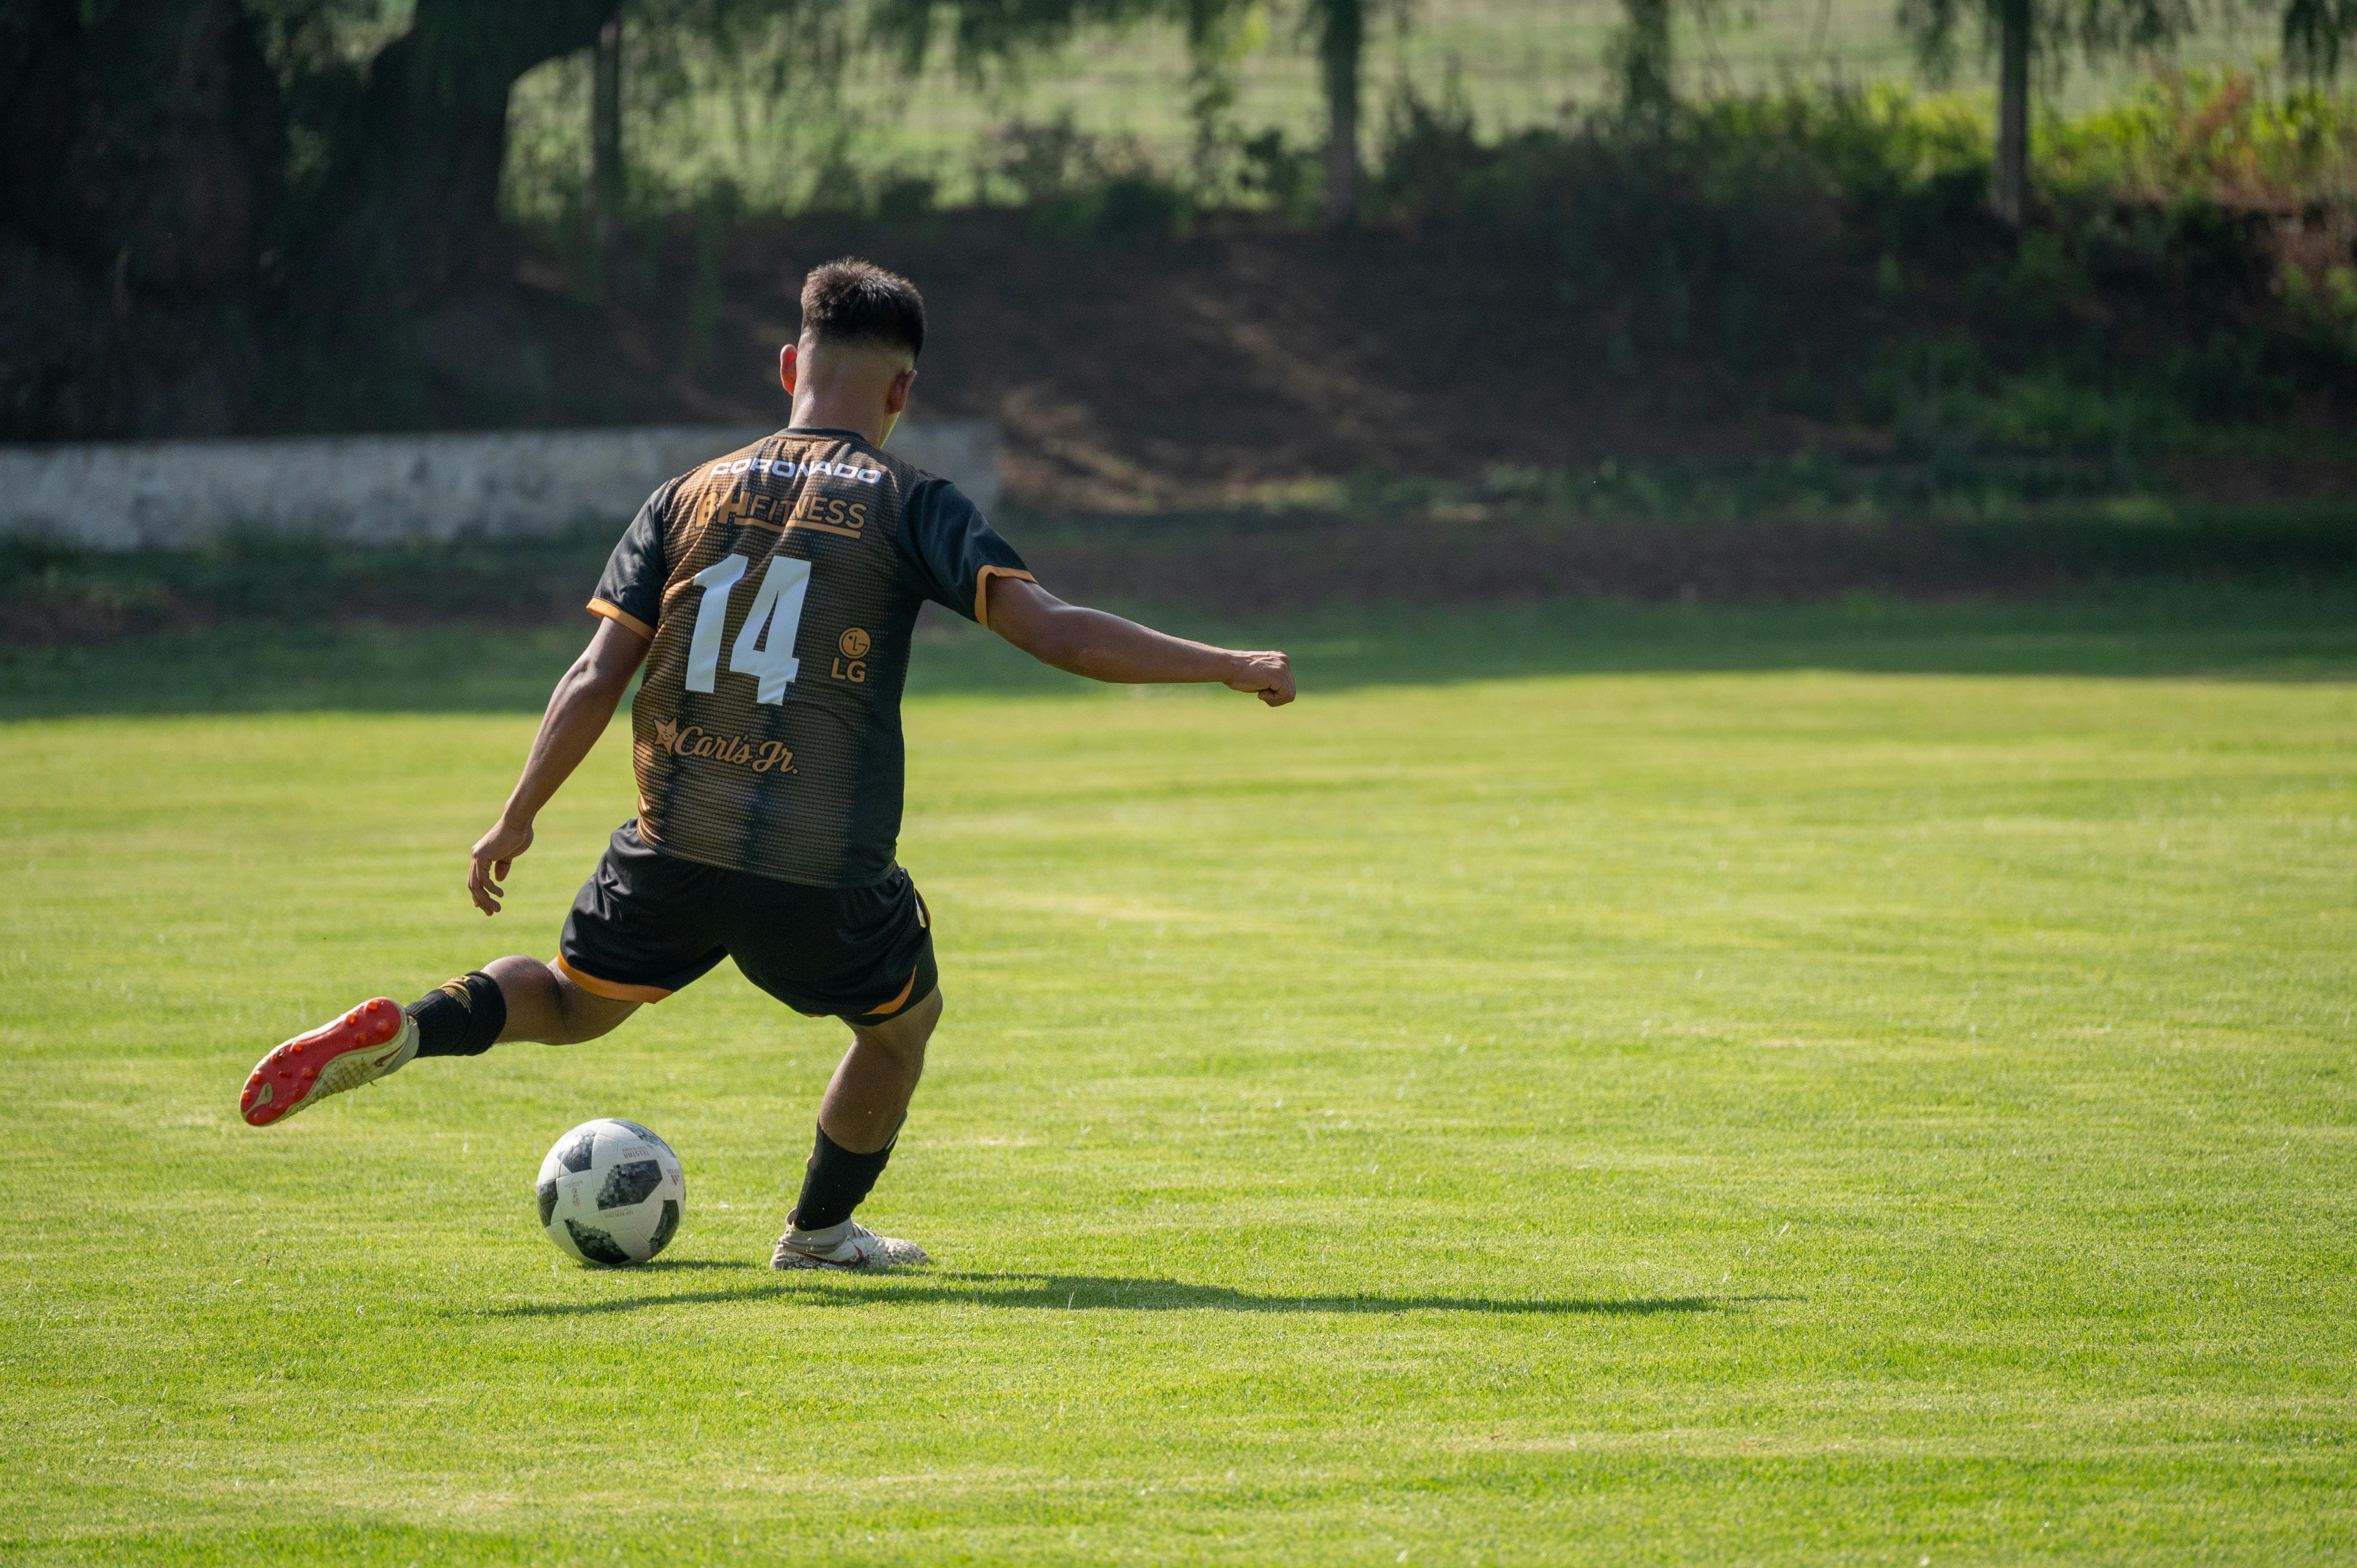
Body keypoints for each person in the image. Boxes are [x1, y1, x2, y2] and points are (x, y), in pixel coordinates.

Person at [237, 258, 1295, 1269]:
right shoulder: (910, 500)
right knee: (900, 1027)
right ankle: (820, 1234)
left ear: (790, 368)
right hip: (819, 864)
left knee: (568, 1001)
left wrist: (515, 817)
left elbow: (596, 673)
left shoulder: (685, 496)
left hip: (671, 842)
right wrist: (1228, 664)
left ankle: (412, 1031)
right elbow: (1056, 631)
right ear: (904, 390)